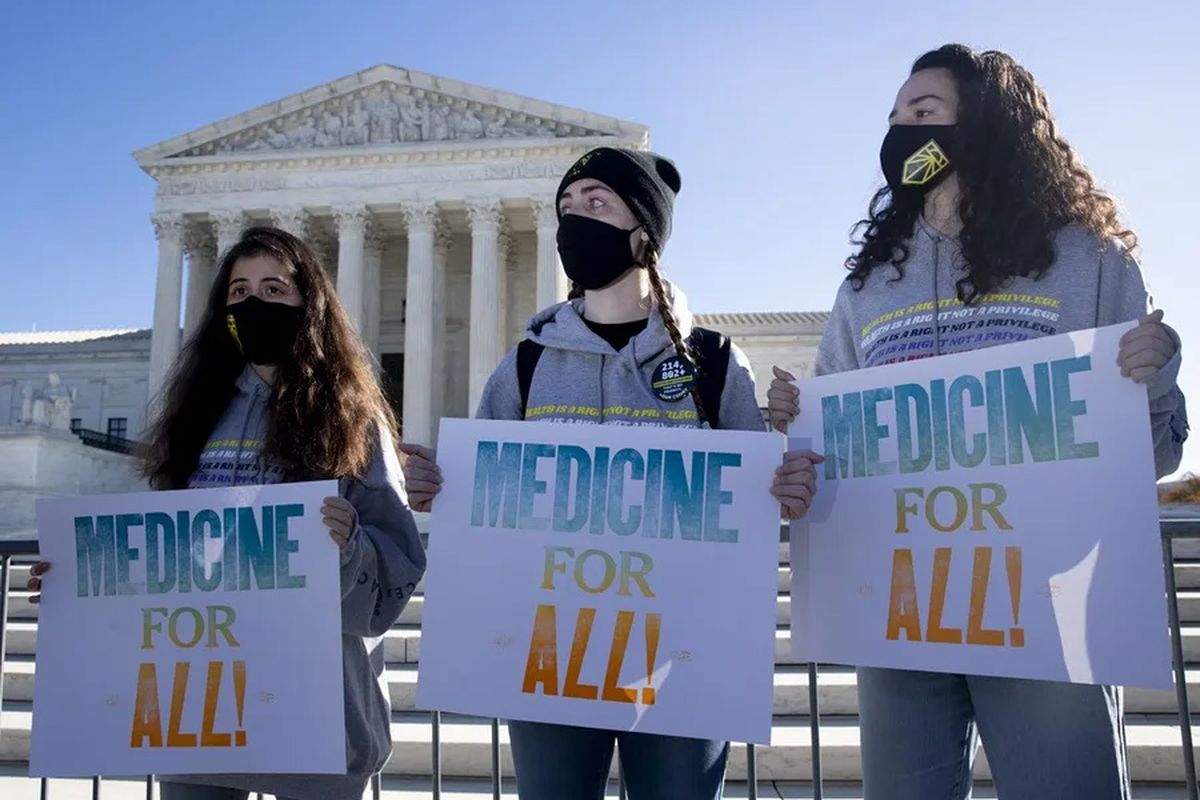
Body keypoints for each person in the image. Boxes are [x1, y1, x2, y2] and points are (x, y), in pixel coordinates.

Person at [768, 44, 1189, 800]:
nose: (900, 133)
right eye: (895, 118)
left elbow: (1151, 455)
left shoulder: (1088, 260)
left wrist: (1155, 377)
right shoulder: (867, 287)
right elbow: (829, 452)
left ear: (986, 126)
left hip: (1046, 610)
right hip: (901, 611)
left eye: (923, 114)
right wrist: (795, 445)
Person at [401, 146, 821, 799]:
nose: (574, 222)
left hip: (680, 656)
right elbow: (488, 500)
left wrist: (786, 490)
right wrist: (442, 490)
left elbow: (754, 506)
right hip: (551, 656)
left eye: (595, 203)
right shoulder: (525, 366)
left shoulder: (713, 363)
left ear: (644, 231)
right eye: (566, 208)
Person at [27, 227, 427, 800]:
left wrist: (348, 547)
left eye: (273, 289)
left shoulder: (354, 423)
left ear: (306, 303)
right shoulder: (194, 418)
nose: (253, 304)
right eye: (238, 292)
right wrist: (80, 581)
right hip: (199, 711)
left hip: (318, 710)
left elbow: (393, 576)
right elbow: (162, 557)